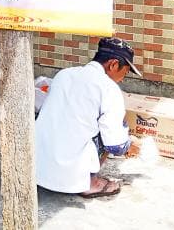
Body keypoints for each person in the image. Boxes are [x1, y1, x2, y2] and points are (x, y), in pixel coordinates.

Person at [35, 37, 142, 198]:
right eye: (125, 73)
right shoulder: (109, 89)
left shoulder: (64, 74)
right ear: (113, 64)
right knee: (117, 128)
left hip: (36, 170)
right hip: (69, 178)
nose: (123, 79)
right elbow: (115, 145)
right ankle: (91, 184)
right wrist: (130, 145)